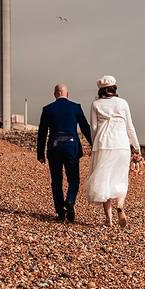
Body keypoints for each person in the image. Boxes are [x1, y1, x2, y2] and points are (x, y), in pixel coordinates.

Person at [85, 75, 140, 227]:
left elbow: (94, 128)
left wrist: (94, 144)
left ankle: (108, 220)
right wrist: (136, 147)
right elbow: (130, 127)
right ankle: (120, 206)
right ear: (114, 88)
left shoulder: (96, 104)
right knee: (121, 177)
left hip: (103, 144)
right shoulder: (123, 103)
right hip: (122, 144)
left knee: (105, 180)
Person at [36, 83, 92, 222]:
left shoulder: (47, 109)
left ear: (55, 94)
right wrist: (94, 144)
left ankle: (60, 212)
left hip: (54, 147)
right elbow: (85, 128)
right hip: (70, 146)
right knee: (73, 178)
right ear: (67, 94)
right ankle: (70, 200)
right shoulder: (76, 107)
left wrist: (40, 154)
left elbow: (42, 133)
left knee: (56, 180)